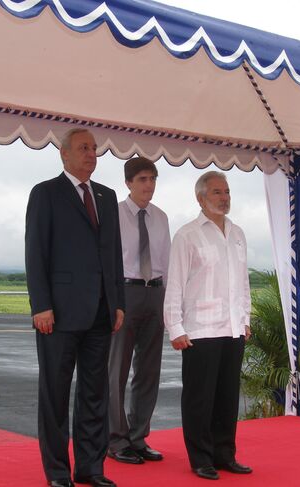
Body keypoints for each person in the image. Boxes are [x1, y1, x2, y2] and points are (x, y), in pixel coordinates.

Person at [25, 128, 125, 487]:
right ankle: (57, 473)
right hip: (59, 314)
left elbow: (113, 255)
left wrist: (118, 303)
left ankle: (90, 468)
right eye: (84, 148)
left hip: (100, 312)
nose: (91, 154)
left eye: (95, 148)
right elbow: (35, 252)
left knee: (94, 395)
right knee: (55, 395)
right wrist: (41, 305)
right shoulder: (46, 194)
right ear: (63, 154)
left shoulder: (107, 196)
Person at [163, 171, 253, 481]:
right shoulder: (187, 235)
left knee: (227, 396)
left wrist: (245, 319)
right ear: (201, 198)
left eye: (227, 191)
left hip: (231, 327)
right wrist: (175, 326)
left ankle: (225, 454)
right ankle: (201, 458)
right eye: (217, 192)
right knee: (200, 398)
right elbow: (175, 283)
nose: (224, 197)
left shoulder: (238, 233)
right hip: (200, 328)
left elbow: (243, 281)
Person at [107, 157, 171, 465]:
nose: (149, 185)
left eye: (153, 179)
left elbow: (168, 262)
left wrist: (169, 305)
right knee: (116, 370)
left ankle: (138, 437)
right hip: (125, 293)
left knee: (148, 371)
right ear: (128, 183)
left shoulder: (161, 217)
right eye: (143, 179)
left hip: (155, 293)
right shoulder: (113, 215)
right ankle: (116, 439)